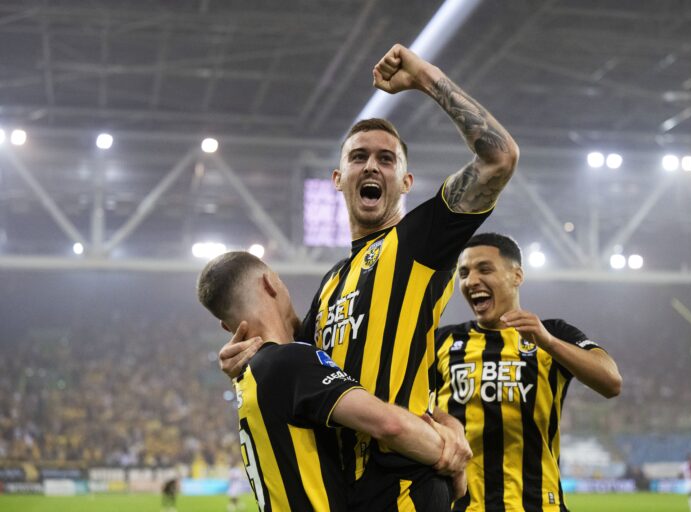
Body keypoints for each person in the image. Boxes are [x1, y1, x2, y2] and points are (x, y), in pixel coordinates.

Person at [218, 43, 519, 509]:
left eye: (386, 158)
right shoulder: (331, 284)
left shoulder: (418, 242)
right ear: (338, 178)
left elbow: (500, 158)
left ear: (405, 181)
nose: (372, 165)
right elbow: (300, 365)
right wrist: (251, 350)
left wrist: (426, 78)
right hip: (347, 493)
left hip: (409, 490)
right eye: (359, 157)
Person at [198, 251, 452, 511]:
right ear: (270, 283)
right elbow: (390, 425)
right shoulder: (291, 361)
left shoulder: (246, 377)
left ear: (226, 327)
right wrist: (450, 458)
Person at [434, 233, 622, 511]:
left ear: (516, 275)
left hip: (538, 505)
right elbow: (412, 406)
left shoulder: (553, 333)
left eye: (484, 269)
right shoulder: (442, 341)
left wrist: (549, 342)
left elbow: (611, 382)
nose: (471, 280)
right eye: (464, 273)